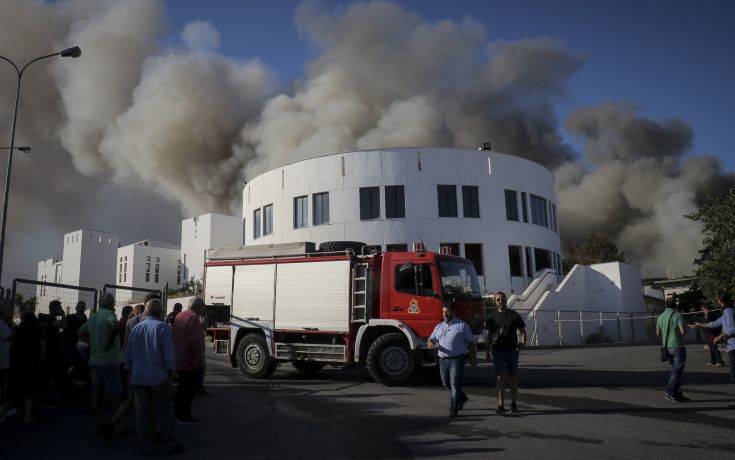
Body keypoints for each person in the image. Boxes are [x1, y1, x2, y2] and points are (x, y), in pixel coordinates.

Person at [124, 298, 184, 455]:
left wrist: (129, 373)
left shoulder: (136, 328)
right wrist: (171, 373)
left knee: (142, 412)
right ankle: (168, 442)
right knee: (164, 410)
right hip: (159, 377)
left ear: (146, 311)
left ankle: (146, 443)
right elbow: (168, 355)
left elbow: (128, 355)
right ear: (160, 312)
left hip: (139, 377)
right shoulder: (162, 327)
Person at [77, 293, 124, 431]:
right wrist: (109, 342)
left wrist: (91, 342)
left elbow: (79, 332)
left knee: (96, 393)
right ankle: (116, 424)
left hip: (94, 360)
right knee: (114, 392)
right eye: (113, 303)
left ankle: (97, 424)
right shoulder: (110, 314)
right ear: (110, 304)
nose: (114, 305)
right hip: (109, 359)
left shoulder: (94, 317)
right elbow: (116, 327)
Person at [428, 302, 477, 418]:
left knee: (454, 383)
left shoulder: (462, 326)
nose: (445, 314)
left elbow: (471, 343)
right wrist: (432, 344)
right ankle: (462, 397)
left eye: (448, 312)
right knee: (446, 383)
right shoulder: (439, 326)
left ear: (454, 312)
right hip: (442, 360)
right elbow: (431, 340)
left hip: (457, 359)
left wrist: (473, 358)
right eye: (444, 312)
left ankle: (453, 409)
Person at [485, 291, 527, 414]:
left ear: (506, 300)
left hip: (512, 351)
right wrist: (487, 351)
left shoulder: (514, 315)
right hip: (497, 351)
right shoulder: (491, 317)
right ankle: (501, 405)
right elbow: (488, 335)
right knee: (500, 377)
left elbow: (523, 331)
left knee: (513, 377)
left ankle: (513, 403)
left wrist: (523, 344)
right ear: (495, 301)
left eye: (502, 299)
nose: (500, 302)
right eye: (498, 300)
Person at [173, 297, 206, 424]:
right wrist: (199, 357)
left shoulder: (180, 315)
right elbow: (194, 341)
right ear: (198, 307)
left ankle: (178, 414)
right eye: (203, 307)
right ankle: (184, 416)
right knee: (189, 389)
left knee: (182, 388)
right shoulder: (193, 318)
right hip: (189, 359)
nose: (204, 309)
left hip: (179, 357)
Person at [691, 292, 735, 384]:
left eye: (718, 300)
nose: (717, 302)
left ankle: (719, 361)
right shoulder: (727, 312)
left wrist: (719, 336)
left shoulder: (728, 311)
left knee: (733, 373)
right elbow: (714, 324)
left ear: (722, 300)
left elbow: (732, 329)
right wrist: (700, 325)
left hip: (733, 346)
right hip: (731, 346)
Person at [9, 306, 42, 423]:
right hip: (32, 362)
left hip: (18, 362)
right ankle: (27, 416)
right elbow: (41, 347)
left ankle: (20, 411)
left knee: (19, 388)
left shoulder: (19, 330)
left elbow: (12, 342)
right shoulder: (37, 331)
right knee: (30, 390)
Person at [656, 297, 688, 402]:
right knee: (677, 372)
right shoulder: (678, 315)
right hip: (678, 346)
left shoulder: (660, 317)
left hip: (667, 347)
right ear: (675, 305)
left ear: (665, 305)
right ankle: (670, 393)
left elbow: (657, 334)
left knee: (676, 371)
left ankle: (677, 393)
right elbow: (683, 332)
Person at [37, 300, 66, 405]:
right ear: (55, 308)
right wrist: (63, 314)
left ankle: (44, 396)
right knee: (51, 374)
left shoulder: (44, 318)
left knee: (47, 374)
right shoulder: (51, 319)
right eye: (59, 307)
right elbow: (64, 325)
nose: (61, 309)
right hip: (52, 351)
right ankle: (47, 397)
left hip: (46, 350)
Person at [699, 302, 724, 367]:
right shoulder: (706, 315)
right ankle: (713, 361)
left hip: (712, 333)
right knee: (711, 347)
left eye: (703, 309)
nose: (702, 311)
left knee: (714, 347)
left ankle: (719, 361)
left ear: (706, 308)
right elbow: (703, 324)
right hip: (707, 333)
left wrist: (700, 324)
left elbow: (710, 324)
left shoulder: (710, 314)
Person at [0, 309, 13, 422]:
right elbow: (9, 335)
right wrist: (8, 321)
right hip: (2, 361)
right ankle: (2, 414)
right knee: (3, 386)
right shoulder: (1, 323)